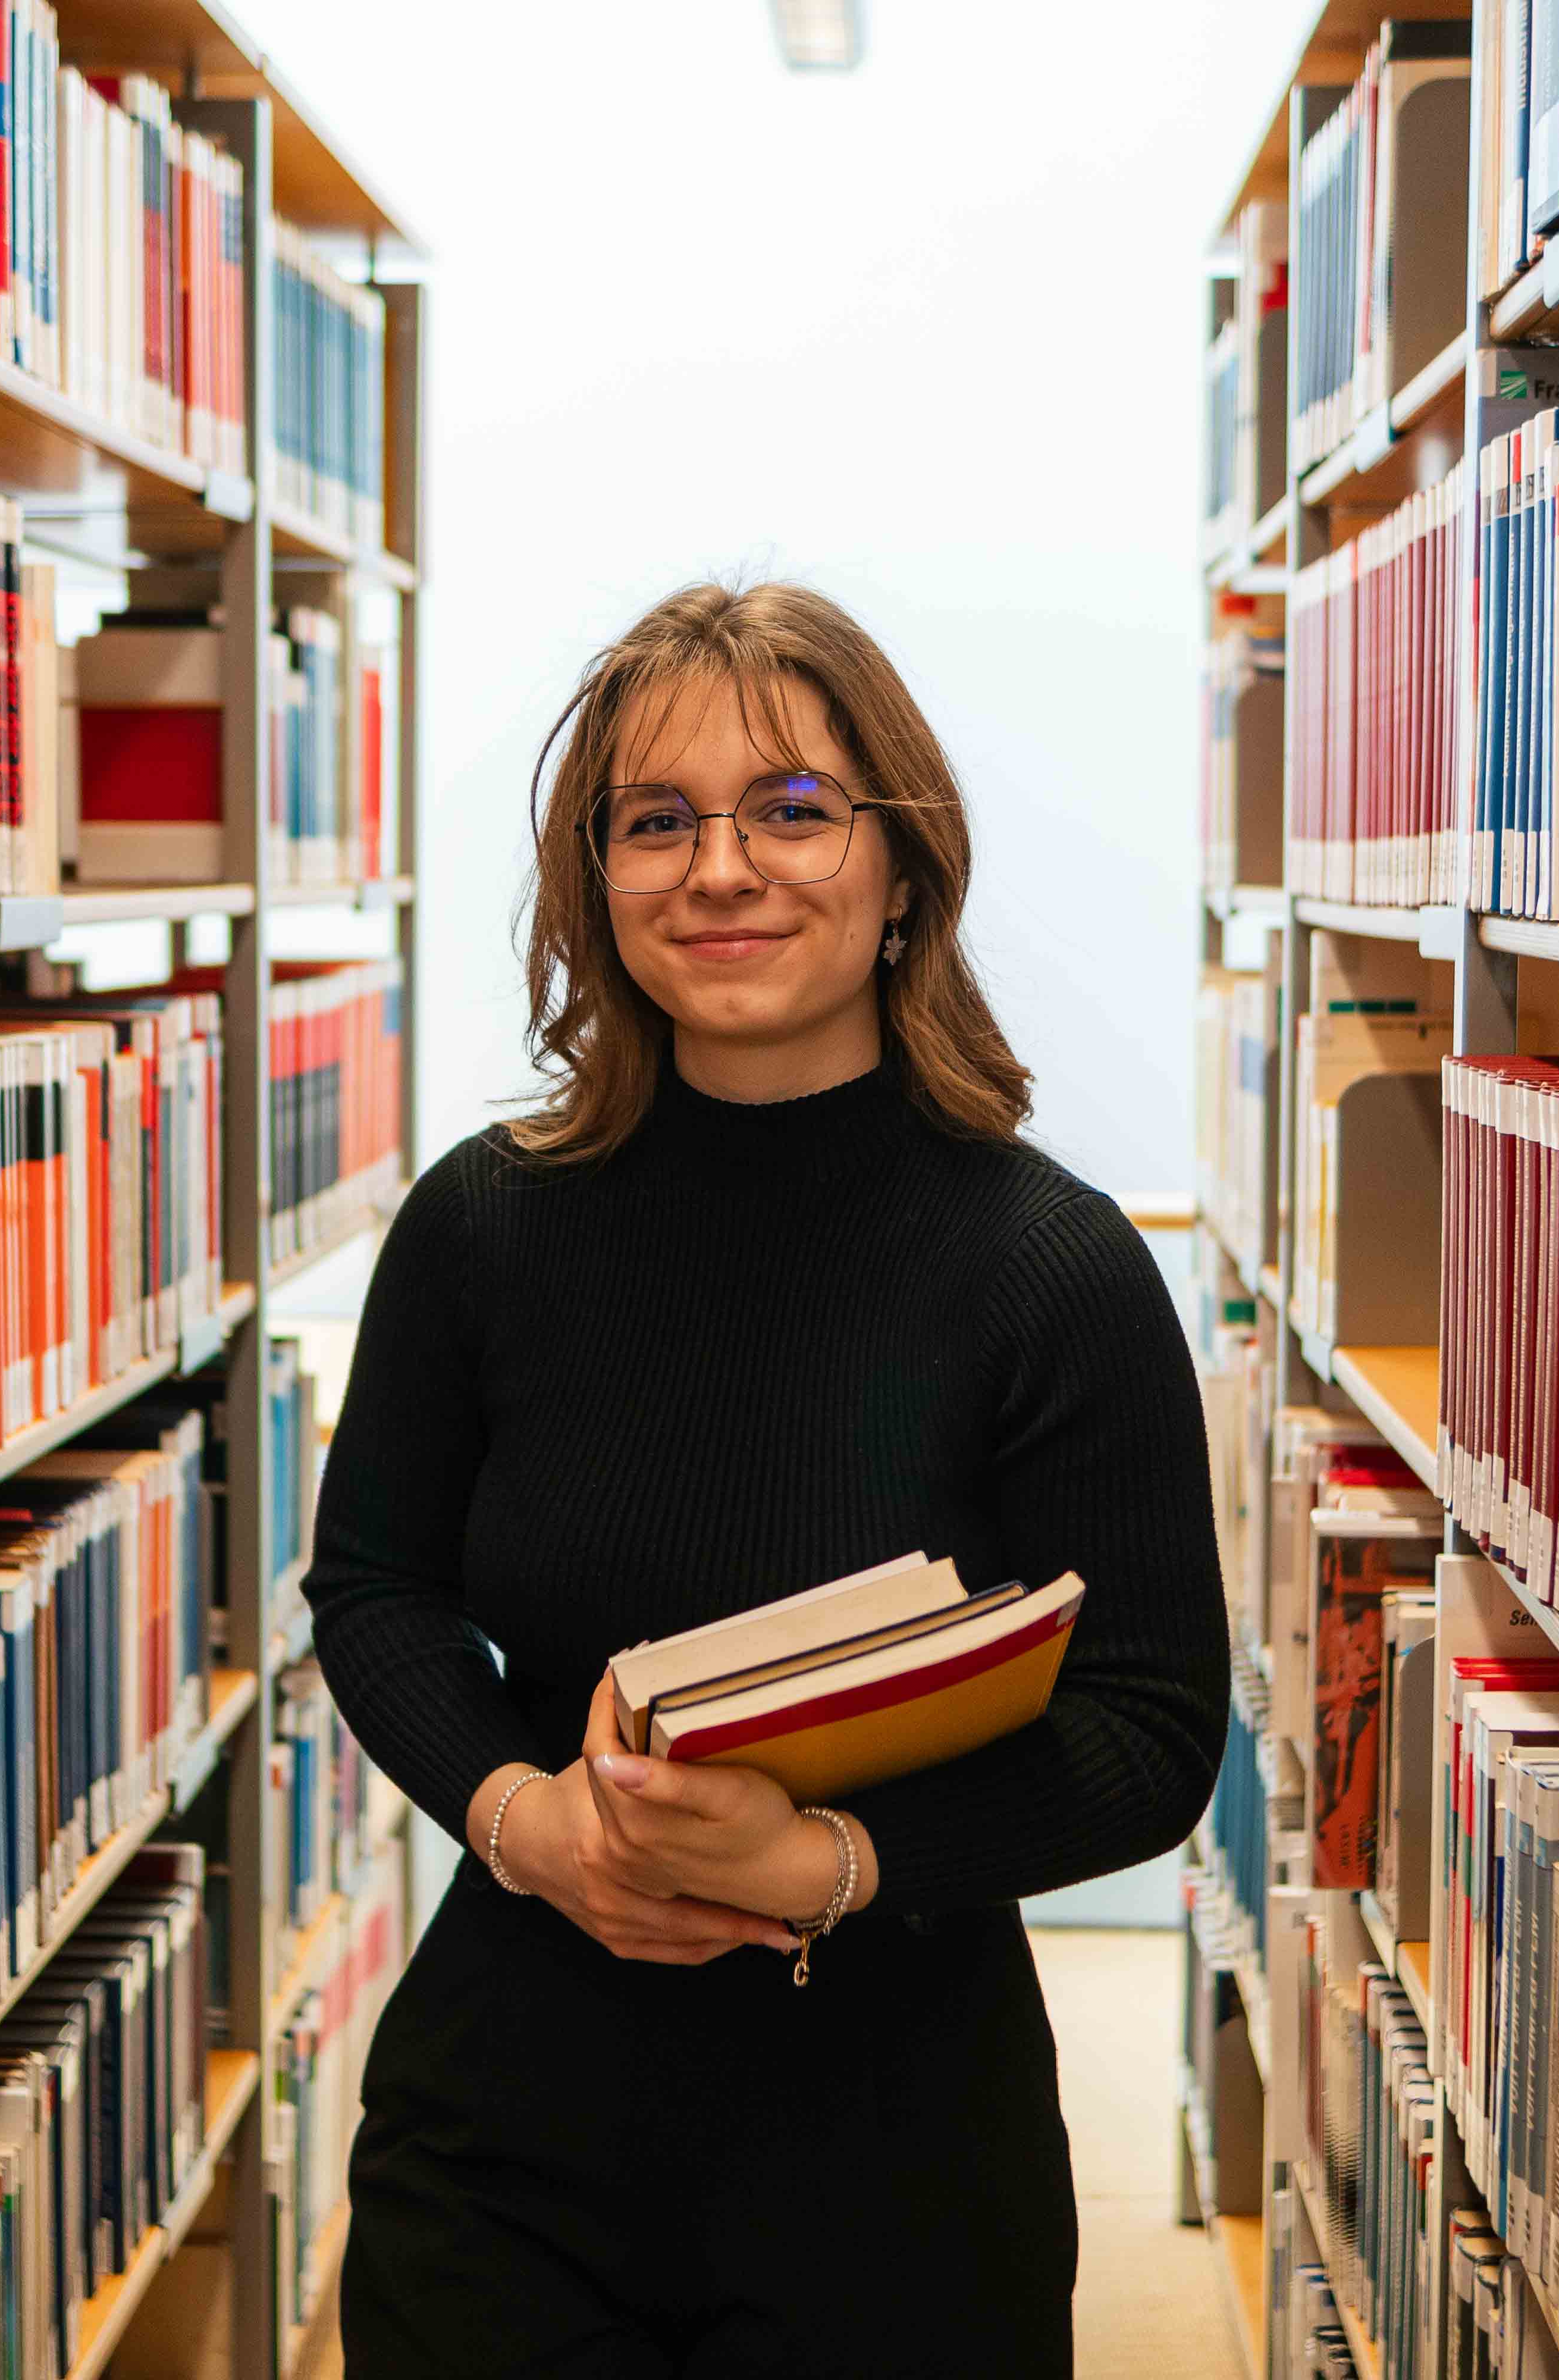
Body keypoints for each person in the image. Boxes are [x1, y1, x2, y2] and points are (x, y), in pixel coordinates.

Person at [302, 580, 1228, 2377]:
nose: (722, 868)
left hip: (895, 2156)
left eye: (793, 810)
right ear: (601, 883)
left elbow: (1151, 1727)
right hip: (507, 2136)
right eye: (658, 822)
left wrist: (828, 1861)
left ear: (903, 869)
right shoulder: (483, 1228)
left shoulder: (1055, 1267)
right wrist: (523, 1820)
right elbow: (379, 1591)